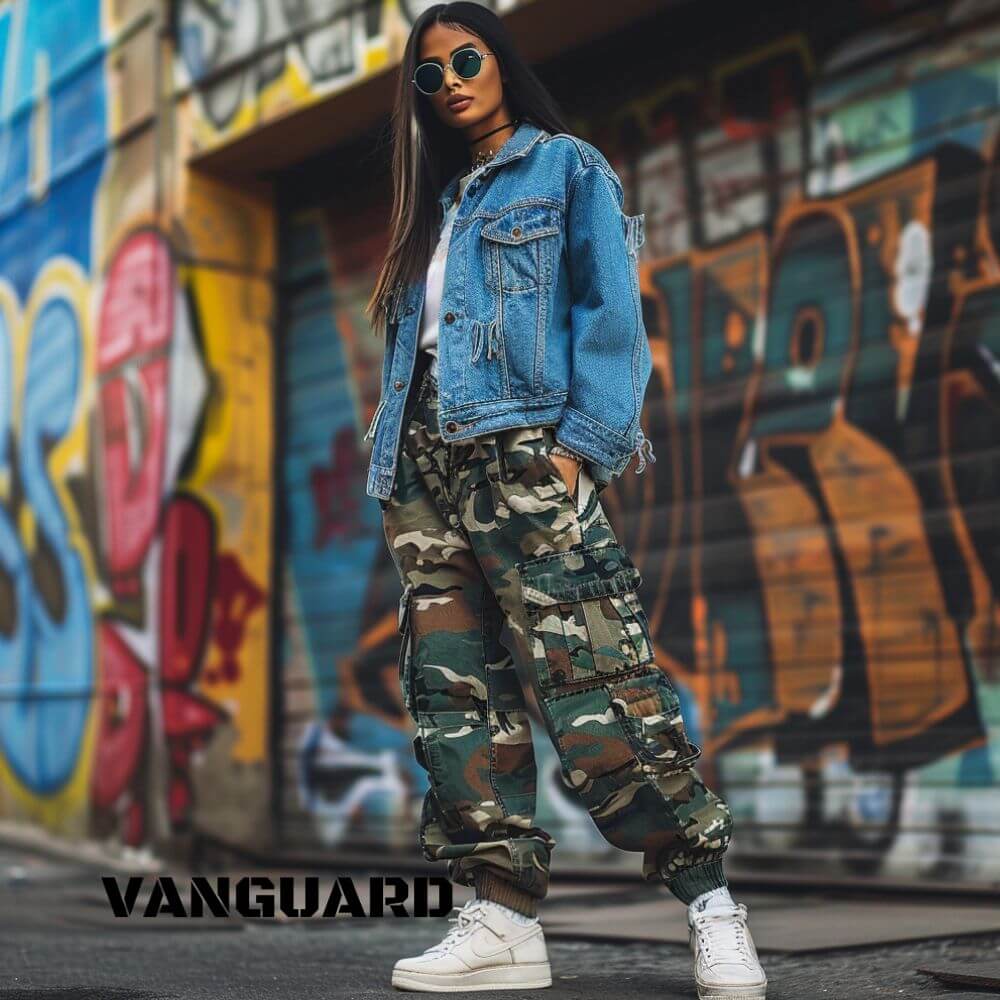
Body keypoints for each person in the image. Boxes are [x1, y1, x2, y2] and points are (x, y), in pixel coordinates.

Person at [363, 4, 767, 996]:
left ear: (500, 63)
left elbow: (610, 315)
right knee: (456, 701)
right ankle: (500, 915)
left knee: (599, 684)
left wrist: (580, 452)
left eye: (466, 59)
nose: (451, 80)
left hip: (524, 453)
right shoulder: (434, 202)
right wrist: (399, 475)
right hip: (422, 471)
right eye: (430, 74)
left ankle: (710, 901)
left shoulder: (566, 167)